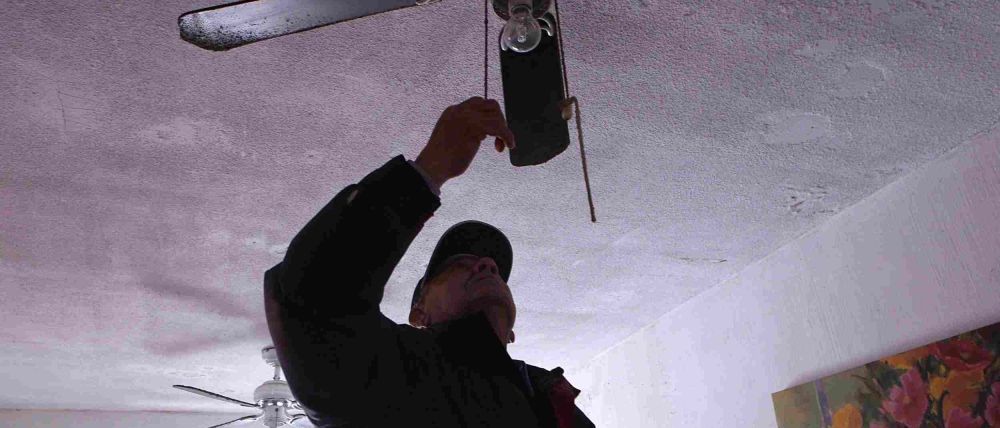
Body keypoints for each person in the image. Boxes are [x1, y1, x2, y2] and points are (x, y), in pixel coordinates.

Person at [263, 96, 595, 428]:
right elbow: (313, 301)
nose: (488, 266)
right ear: (419, 313)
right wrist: (427, 171)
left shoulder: (551, 399)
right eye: (460, 262)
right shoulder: (393, 376)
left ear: (511, 335)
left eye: (492, 267)